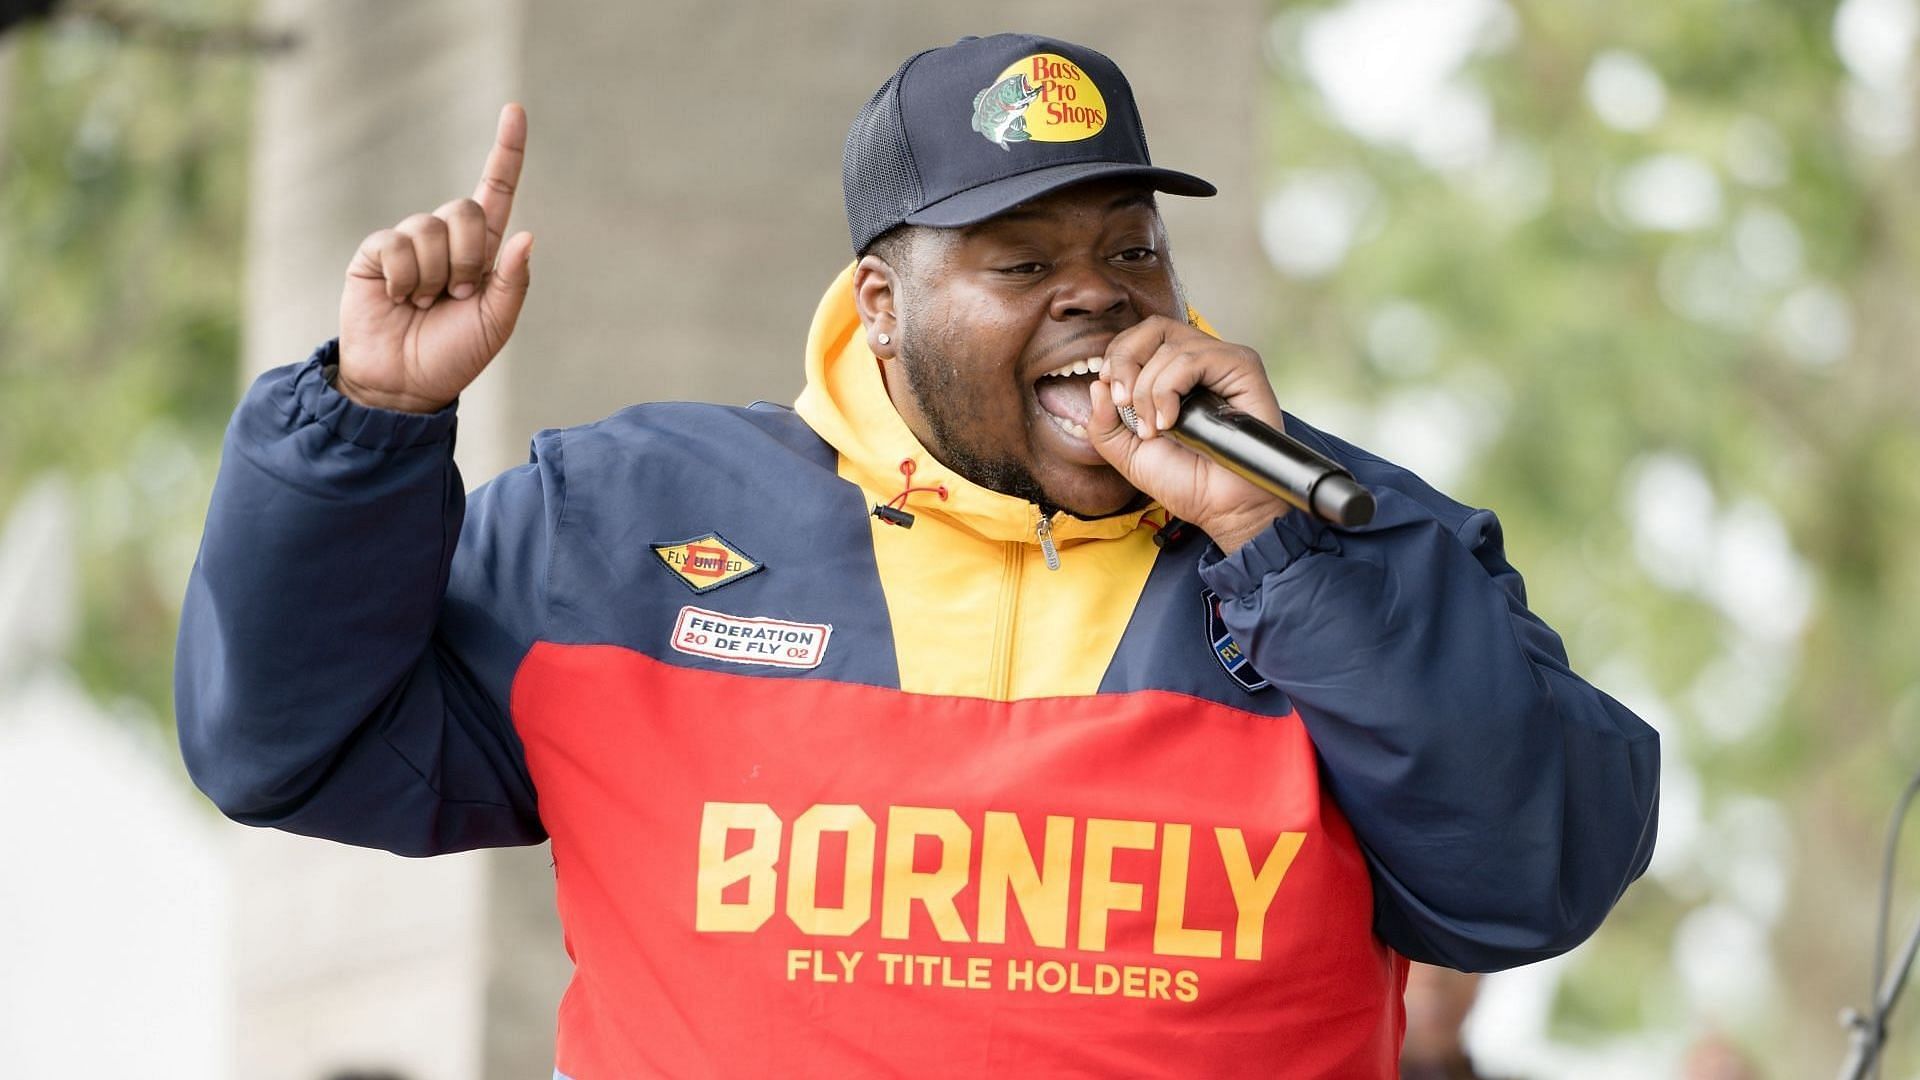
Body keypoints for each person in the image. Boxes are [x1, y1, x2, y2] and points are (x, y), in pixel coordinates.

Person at [175, 33, 1660, 1079]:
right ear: (880, 302)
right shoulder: (621, 528)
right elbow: (288, 746)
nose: (1096, 302)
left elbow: (1532, 878)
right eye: (1022, 265)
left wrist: (1276, 540)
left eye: (1130, 253)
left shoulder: (1332, 530)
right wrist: (367, 423)